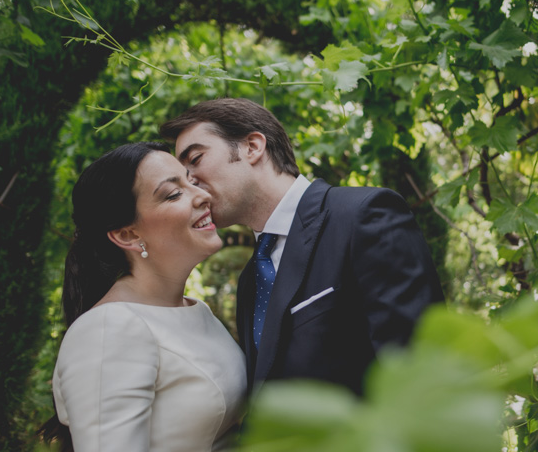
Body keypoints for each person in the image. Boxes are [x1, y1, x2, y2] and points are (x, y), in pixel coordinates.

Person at [159, 98, 445, 397]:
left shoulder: (363, 215)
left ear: (252, 147)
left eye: (195, 160)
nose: (190, 183)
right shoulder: (250, 280)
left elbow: (422, 371)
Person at [50, 142, 254, 452]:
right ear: (128, 234)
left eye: (191, 181)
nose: (202, 195)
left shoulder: (197, 312)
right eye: (174, 193)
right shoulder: (110, 332)